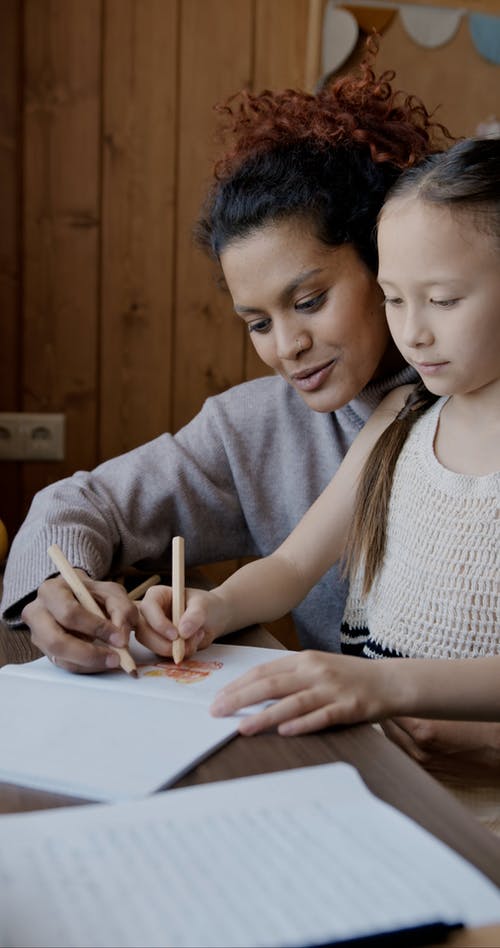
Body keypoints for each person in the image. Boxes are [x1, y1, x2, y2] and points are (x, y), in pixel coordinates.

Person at [2, 58, 498, 784]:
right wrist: (62, 594)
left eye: (309, 300)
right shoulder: (275, 426)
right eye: (256, 321)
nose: (286, 347)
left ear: (376, 257)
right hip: (368, 763)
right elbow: (85, 506)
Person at [149, 136, 498, 829]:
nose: (414, 333)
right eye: (396, 300)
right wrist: (211, 608)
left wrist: (384, 684)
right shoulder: (402, 418)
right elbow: (290, 566)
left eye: (444, 300)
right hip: (373, 782)